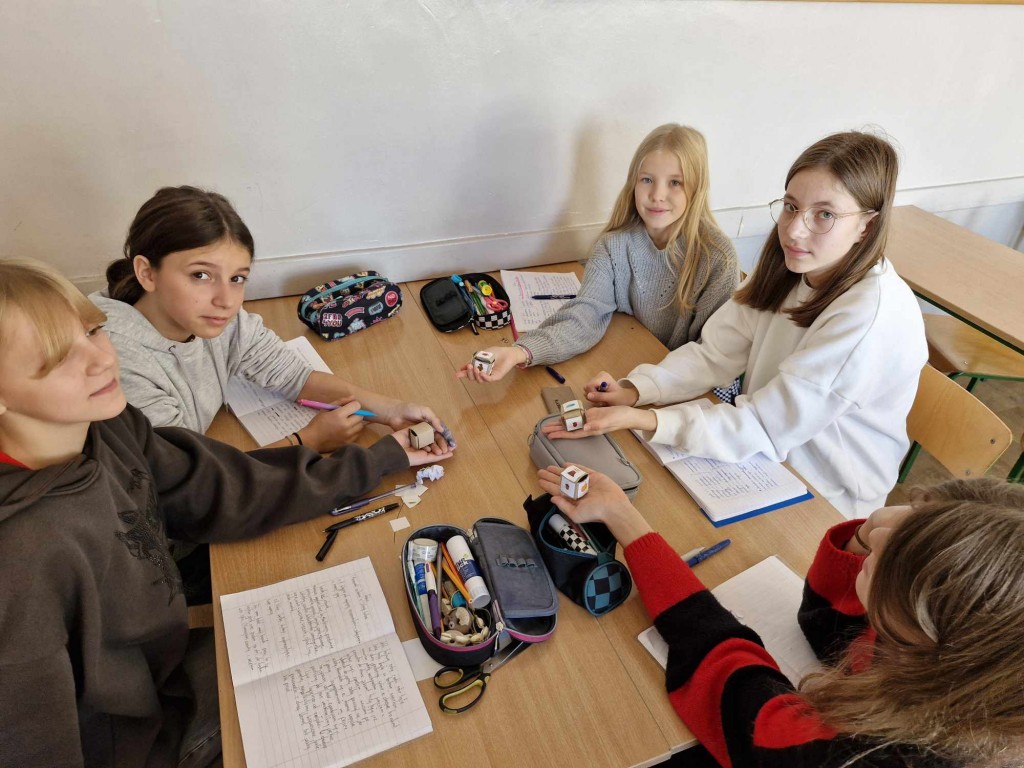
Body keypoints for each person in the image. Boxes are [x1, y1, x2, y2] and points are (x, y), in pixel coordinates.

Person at [0, 258, 452, 767]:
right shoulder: (21, 553)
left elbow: (221, 486)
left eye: (93, 331)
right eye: (58, 358)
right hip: (141, 739)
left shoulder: (105, 425)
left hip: (163, 664)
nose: (103, 360)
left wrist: (378, 460)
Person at [548, 131, 927, 519]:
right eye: (792, 207)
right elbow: (714, 352)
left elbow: (764, 424)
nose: (795, 230)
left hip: (826, 499)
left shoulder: (868, 316)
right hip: (763, 462)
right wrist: (636, 389)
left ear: (867, 225)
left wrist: (648, 418)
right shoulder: (789, 267)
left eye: (825, 214)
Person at [537, 465, 1024, 767]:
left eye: (901, 548)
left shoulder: (862, 754)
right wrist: (865, 539)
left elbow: (729, 677)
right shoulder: (959, 663)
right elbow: (825, 625)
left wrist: (630, 525)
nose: (882, 528)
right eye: (912, 517)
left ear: (934, 634)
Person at [94, 185, 451, 454]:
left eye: (237, 278)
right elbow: (190, 483)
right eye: (200, 275)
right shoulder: (116, 362)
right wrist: (307, 441)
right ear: (147, 273)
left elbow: (292, 374)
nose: (226, 300)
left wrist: (389, 409)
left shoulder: (214, 319)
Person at [457, 123, 738, 383]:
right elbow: (586, 314)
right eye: (647, 180)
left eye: (675, 183)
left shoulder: (718, 259)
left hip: (684, 389)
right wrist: (520, 352)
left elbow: (712, 358)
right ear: (633, 184)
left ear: (697, 188)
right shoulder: (613, 246)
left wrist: (642, 387)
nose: (657, 195)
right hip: (633, 371)